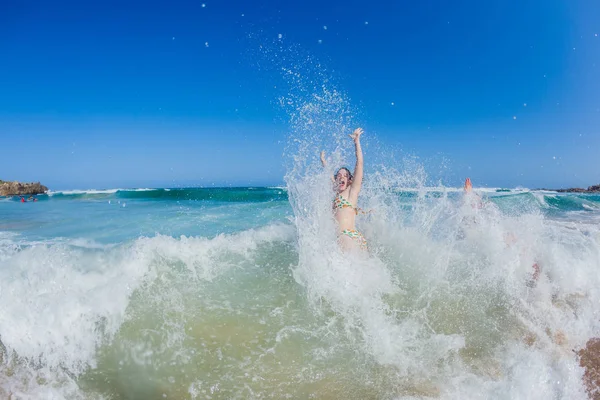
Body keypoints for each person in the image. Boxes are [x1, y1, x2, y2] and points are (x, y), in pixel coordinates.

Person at [320, 127, 367, 251]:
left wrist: (356, 142)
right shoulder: (337, 192)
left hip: (348, 236)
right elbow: (329, 174)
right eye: (339, 176)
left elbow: (360, 163)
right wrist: (323, 162)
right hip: (346, 238)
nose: (341, 177)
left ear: (350, 180)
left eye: (345, 176)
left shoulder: (351, 191)